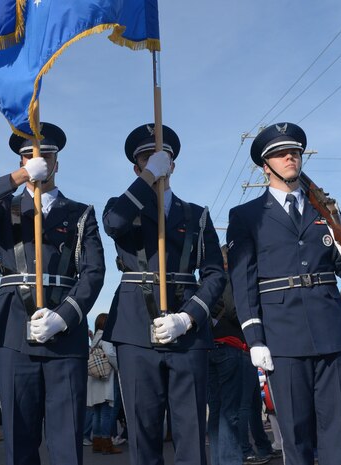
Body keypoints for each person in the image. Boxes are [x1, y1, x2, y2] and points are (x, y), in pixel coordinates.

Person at [227, 122, 341, 465]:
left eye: (294, 152)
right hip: (282, 332)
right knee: (295, 433)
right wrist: (255, 337)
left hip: (331, 329)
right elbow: (243, 279)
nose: (290, 157)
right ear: (266, 166)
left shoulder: (325, 211)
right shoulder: (246, 216)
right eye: (280, 154)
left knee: (335, 429)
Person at [0, 122, 106, 465]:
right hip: (14, 330)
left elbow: (94, 272)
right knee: (20, 438)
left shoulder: (80, 213)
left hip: (64, 332)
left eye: (44, 156)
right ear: (21, 161)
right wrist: (17, 178)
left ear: (57, 163)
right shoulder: (4, 209)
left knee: (66, 441)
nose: (37, 162)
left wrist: (65, 317)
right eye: (28, 156)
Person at [102, 123, 226, 465]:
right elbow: (113, 224)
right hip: (135, 327)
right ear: (136, 167)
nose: (156, 162)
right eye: (148, 157)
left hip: (187, 329)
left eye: (163, 157)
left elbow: (215, 273)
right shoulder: (121, 206)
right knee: (143, 433)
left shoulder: (197, 215)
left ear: (173, 164)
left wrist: (188, 317)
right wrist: (146, 181)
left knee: (190, 432)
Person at [207, 245, 246, 465]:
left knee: (216, 410)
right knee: (230, 412)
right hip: (230, 346)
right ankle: (230, 461)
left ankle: (218, 460)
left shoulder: (208, 280)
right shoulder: (230, 278)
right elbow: (233, 310)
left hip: (209, 347)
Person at [86, 313, 122, 455]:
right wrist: (120, 367)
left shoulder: (95, 337)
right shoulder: (106, 337)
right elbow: (110, 354)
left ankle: (97, 441)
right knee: (107, 412)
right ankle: (107, 443)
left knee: (97, 413)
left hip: (95, 379)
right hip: (106, 379)